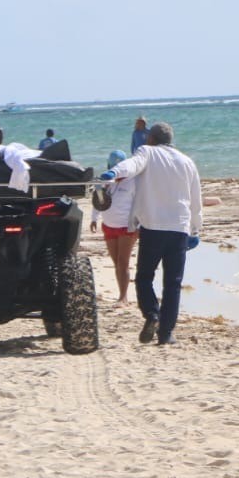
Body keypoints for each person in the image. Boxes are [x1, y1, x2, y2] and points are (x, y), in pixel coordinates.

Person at [103, 122, 202, 346]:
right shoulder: (187, 161)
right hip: (179, 228)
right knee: (173, 283)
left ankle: (151, 314)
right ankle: (166, 334)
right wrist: (195, 229)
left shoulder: (147, 152)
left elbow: (131, 165)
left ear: (151, 139)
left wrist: (114, 172)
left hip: (152, 228)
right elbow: (195, 199)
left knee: (144, 277)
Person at [89, 149, 139, 306]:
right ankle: (121, 294)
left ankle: (123, 298)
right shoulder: (105, 181)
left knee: (123, 262)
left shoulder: (133, 181)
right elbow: (98, 201)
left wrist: (140, 225)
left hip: (127, 227)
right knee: (116, 262)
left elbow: (140, 204)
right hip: (108, 226)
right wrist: (94, 219)